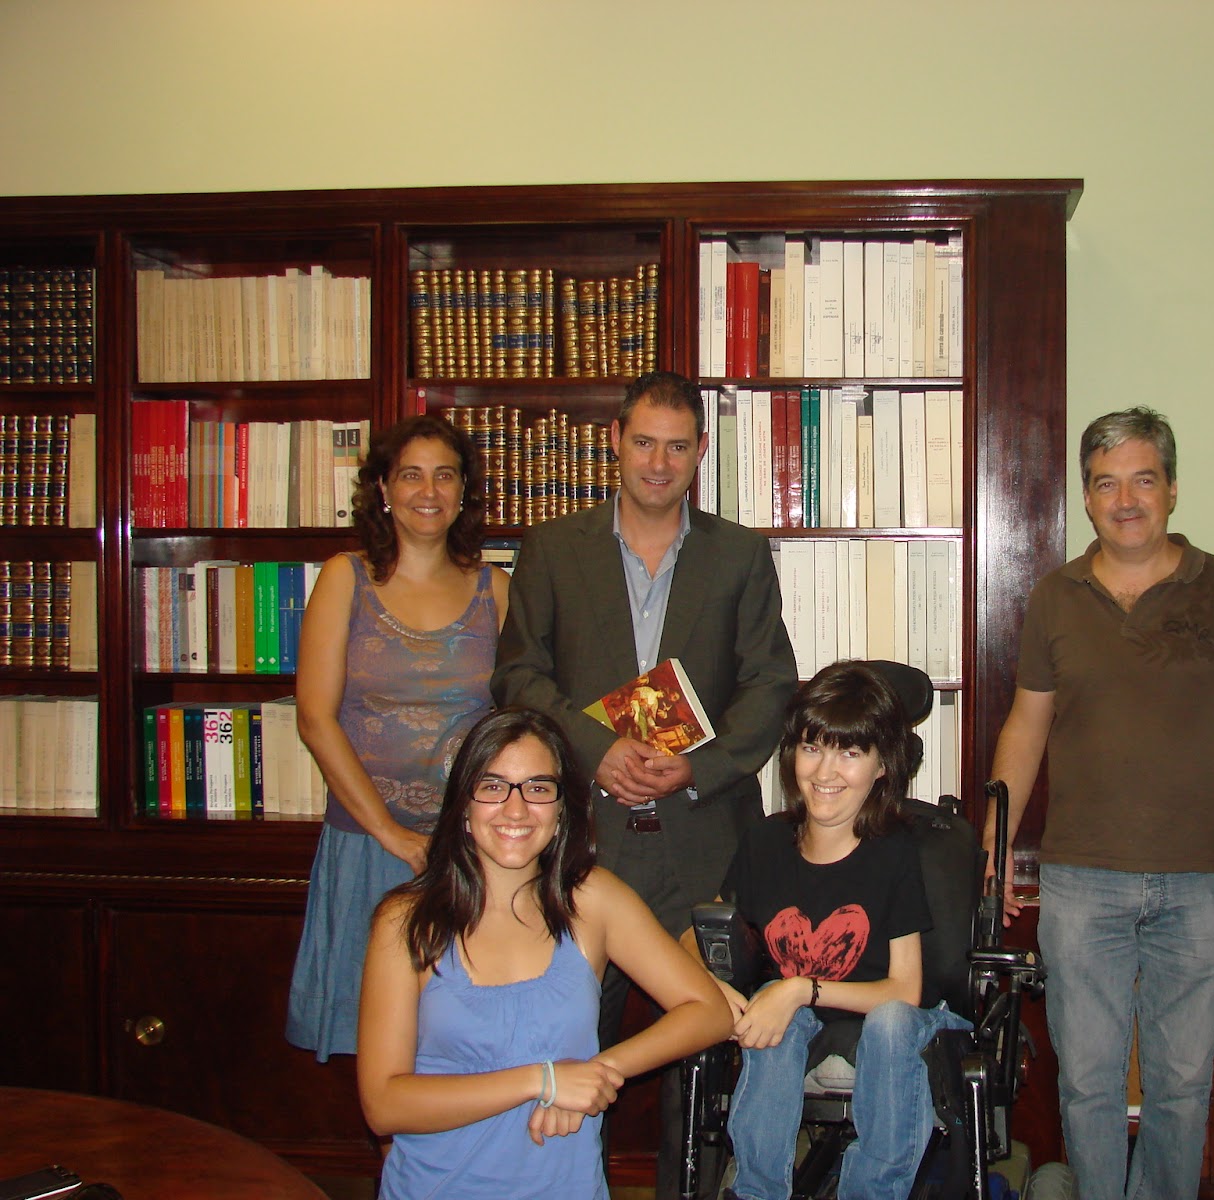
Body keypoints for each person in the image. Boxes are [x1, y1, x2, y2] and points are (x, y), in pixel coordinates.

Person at [491, 371, 798, 1195]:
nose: (658, 463)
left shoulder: (740, 554)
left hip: (705, 847)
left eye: (677, 446)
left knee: (704, 1059)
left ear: (700, 453)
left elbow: (771, 684)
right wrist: (596, 749)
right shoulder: (552, 550)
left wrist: (698, 766)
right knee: (567, 1047)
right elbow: (518, 676)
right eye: (643, 443)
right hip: (584, 846)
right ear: (615, 443)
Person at [982, 407, 1214, 1200]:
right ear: (1087, 498)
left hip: (1202, 882)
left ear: (1172, 490)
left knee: (1181, 1087)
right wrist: (993, 843)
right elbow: (1026, 727)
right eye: (1106, 484)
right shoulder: (1055, 596)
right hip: (1082, 882)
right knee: (1087, 1083)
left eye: (1142, 481)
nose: (1125, 500)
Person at [358, 706, 733, 1200]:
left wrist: (601, 1072)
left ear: (561, 811)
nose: (516, 810)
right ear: (463, 806)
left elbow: (709, 1011)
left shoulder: (594, 900)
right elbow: (384, 1105)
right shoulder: (406, 920)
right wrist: (543, 1081)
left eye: (538, 788)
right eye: (493, 787)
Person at [689, 661, 970, 1200]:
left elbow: (904, 991)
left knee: (884, 1021)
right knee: (775, 1012)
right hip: (802, 1024)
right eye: (812, 747)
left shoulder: (895, 852)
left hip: (896, 1022)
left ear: (882, 766)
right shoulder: (764, 843)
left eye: (850, 752)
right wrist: (714, 989)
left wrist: (798, 988)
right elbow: (698, 936)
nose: (825, 771)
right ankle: (757, 1191)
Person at [287, 413, 511, 1061]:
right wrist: (391, 834)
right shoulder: (345, 578)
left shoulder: (496, 589)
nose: (428, 491)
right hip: (370, 846)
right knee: (377, 1050)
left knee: (464, 1045)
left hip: (470, 852)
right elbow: (314, 718)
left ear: (464, 490)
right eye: (411, 475)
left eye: (445, 475)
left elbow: (518, 720)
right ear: (383, 488)